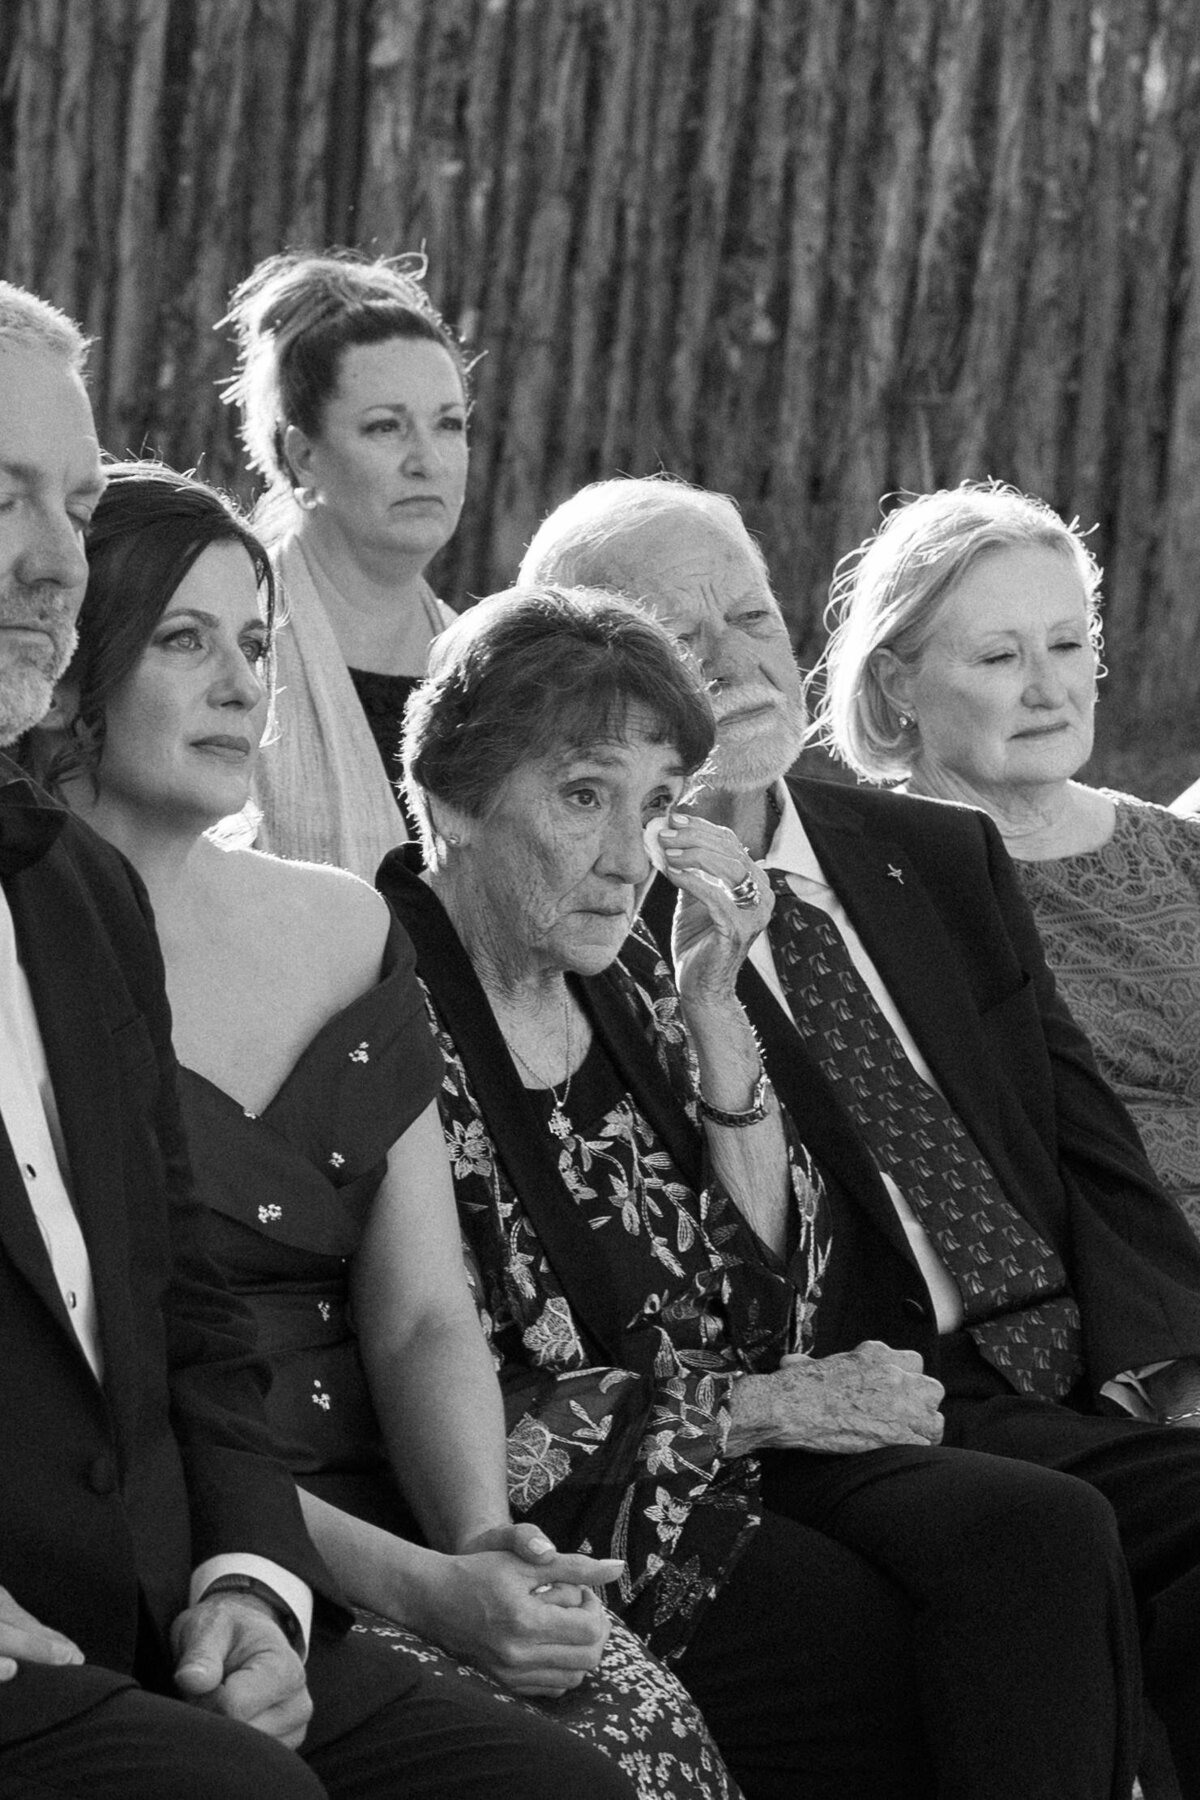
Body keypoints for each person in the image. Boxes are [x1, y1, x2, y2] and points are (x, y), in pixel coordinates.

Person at [0, 281, 641, 1800]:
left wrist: (246, 1583)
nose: (49, 562)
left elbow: (187, 1319)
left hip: (178, 1575)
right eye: (0, 497)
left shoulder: (65, 892)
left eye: (75, 506)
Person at [377, 581, 1144, 1800]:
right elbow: (449, 1368)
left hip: (738, 1431)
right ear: (456, 798)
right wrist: (763, 1413)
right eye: (584, 799)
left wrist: (717, 1021)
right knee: (861, 1634)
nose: (630, 860)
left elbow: (778, 1303)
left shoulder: (626, 981)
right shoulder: (388, 1000)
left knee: (1043, 1532)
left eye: (657, 806)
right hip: (583, 1490)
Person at [811, 480, 1200, 1234]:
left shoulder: (1182, 851)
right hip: (1114, 1303)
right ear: (898, 683)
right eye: (998, 658)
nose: (1049, 689)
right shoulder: (865, 889)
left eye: (1066, 644)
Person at [220, 249, 468, 876]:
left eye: (449, 424)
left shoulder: (481, 660)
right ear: (303, 456)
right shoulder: (231, 646)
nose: (427, 461)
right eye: (386, 428)